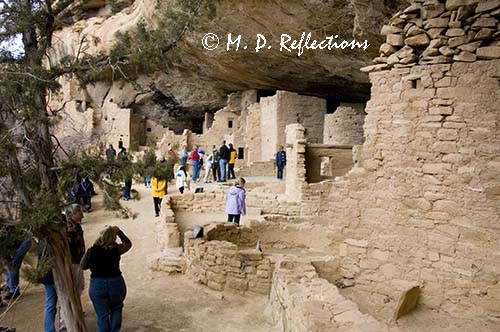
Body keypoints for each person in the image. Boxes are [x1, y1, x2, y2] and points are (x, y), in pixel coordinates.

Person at [81, 226, 132, 332]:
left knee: (102, 314)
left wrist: (94, 264)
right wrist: (119, 232)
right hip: (115, 282)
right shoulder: (116, 249)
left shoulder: (92, 251)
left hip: (97, 284)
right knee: (116, 308)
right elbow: (128, 244)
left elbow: (83, 266)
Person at [2, 230, 32, 300]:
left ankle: (14, 290)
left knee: (12, 265)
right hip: (15, 245)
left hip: (24, 240)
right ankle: (10, 286)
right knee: (7, 265)